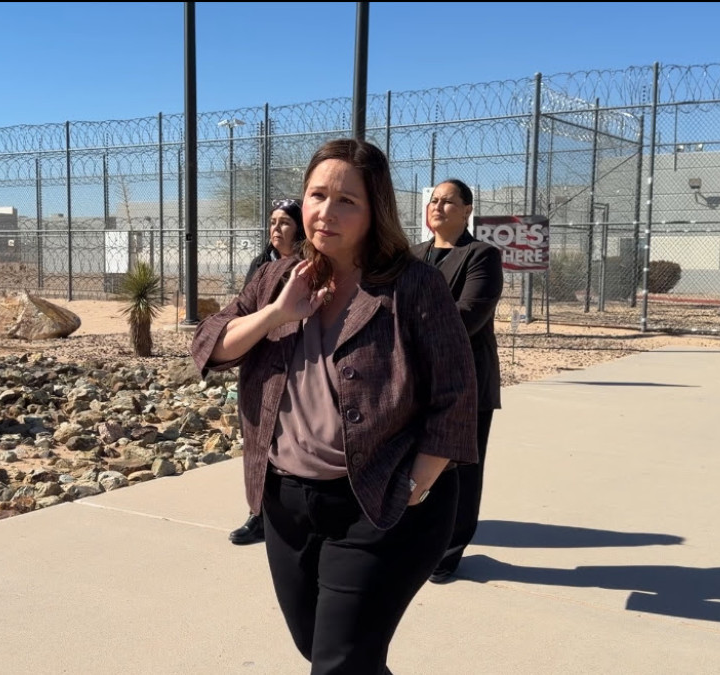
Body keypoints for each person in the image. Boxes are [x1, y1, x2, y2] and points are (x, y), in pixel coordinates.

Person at [192, 138, 478, 674]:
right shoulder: (277, 277)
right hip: (287, 503)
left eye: (347, 200)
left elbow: (457, 393)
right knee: (322, 648)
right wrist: (277, 315)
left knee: (339, 662)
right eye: (317, 195)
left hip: (379, 502)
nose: (326, 211)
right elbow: (210, 347)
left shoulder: (414, 285)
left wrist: (414, 484)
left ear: (375, 211)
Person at [411, 178, 505, 584]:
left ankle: (449, 550)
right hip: (415, 380)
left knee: (461, 469)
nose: (438, 206)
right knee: (417, 461)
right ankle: (417, 538)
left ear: (467, 210)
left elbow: (467, 315)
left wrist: (406, 329)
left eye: (448, 201)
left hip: (465, 383)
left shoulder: (481, 256)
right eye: (434, 200)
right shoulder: (413, 256)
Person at [229, 198, 307, 546]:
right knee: (257, 442)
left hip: (297, 366)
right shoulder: (261, 265)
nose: (276, 228)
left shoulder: (308, 267)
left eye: (285, 222)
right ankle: (258, 513)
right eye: (273, 222)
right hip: (260, 364)